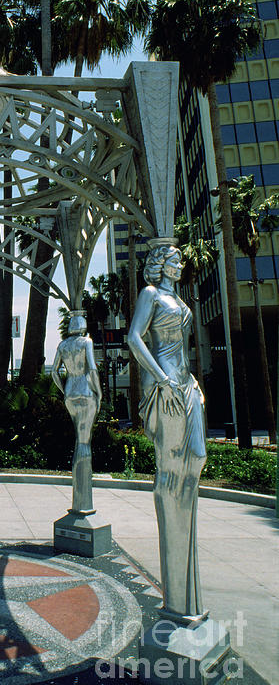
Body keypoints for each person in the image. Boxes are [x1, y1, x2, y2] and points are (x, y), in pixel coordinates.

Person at [127, 242, 207, 620]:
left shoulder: (178, 297)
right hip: (166, 385)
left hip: (186, 382)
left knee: (198, 459)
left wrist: (191, 381)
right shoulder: (150, 294)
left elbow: (183, 347)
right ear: (159, 265)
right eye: (173, 260)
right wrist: (161, 381)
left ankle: (186, 573)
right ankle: (178, 593)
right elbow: (133, 337)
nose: (179, 264)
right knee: (170, 470)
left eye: (179, 260)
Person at [52, 312, 102, 515]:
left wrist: (65, 391)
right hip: (86, 390)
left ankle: (79, 500)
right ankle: (83, 503)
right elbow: (92, 368)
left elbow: (54, 371)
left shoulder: (63, 345)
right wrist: (98, 392)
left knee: (78, 439)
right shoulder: (86, 342)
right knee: (84, 441)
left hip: (71, 390)